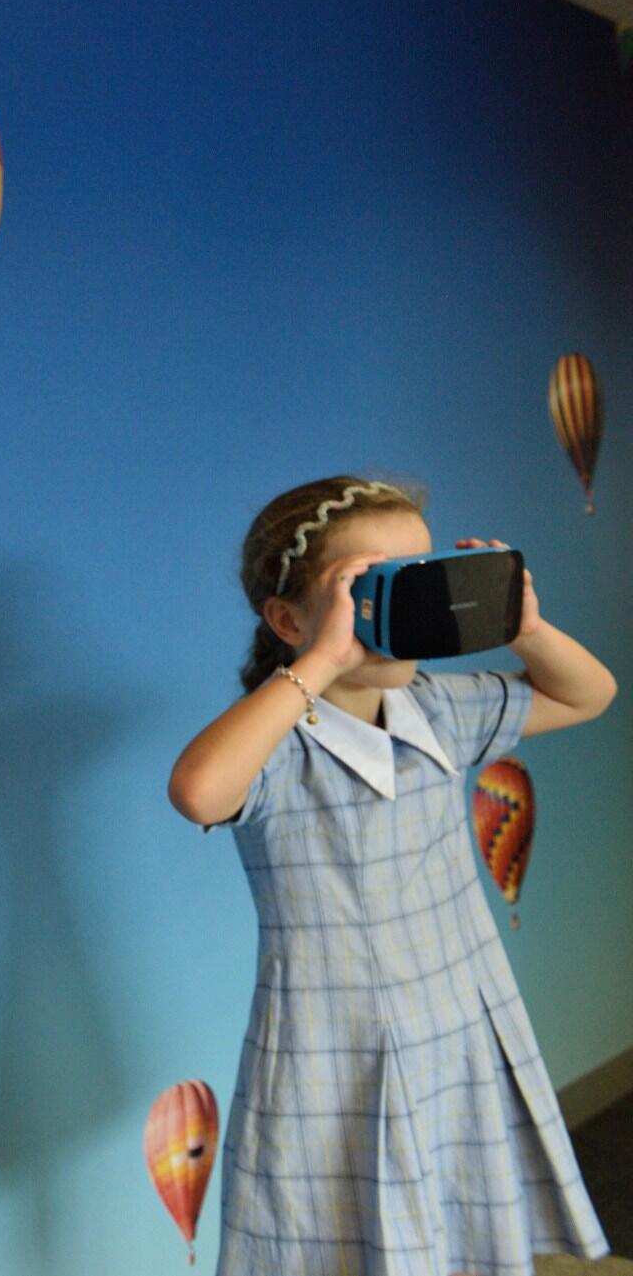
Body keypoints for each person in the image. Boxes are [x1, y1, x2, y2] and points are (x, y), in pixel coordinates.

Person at [167, 475, 615, 1275]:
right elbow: (199, 788)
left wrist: (526, 626)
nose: (406, 609)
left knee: (460, 1229)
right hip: (338, 1054)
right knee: (348, 1240)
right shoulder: (280, 748)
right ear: (288, 617)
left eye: (421, 578)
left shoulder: (442, 709)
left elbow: (590, 693)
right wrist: (323, 658)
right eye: (371, 588)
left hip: (460, 1025)